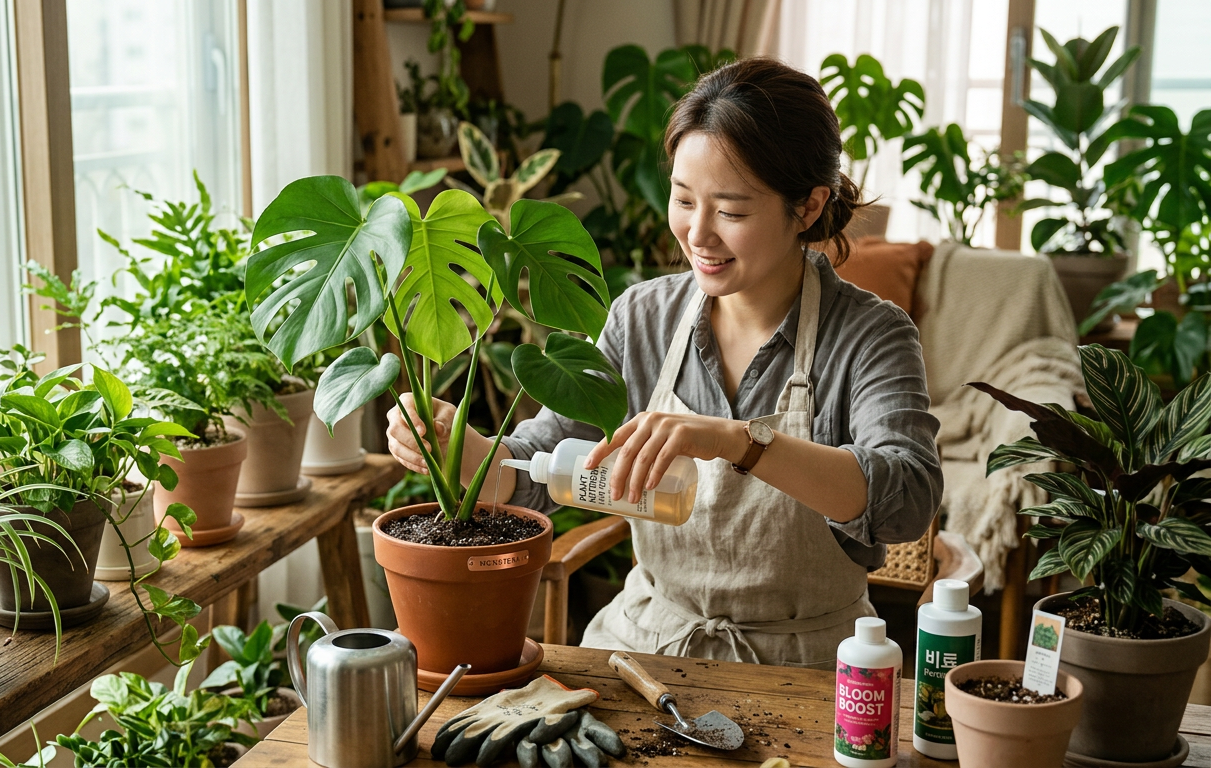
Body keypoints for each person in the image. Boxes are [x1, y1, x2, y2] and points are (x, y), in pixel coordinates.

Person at [385, 57, 942, 668]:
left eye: (730, 211)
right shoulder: (642, 320)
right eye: (683, 200)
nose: (697, 234)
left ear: (807, 207)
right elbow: (546, 461)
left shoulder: (870, 334)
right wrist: (470, 458)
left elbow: (907, 500)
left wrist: (739, 442)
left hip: (808, 668)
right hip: (645, 648)